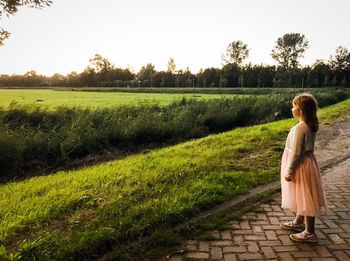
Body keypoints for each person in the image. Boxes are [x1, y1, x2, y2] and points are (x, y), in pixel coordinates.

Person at [279, 93, 327, 243]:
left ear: (301, 110)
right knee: (303, 195)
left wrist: (289, 171)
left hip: (300, 166)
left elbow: (297, 152)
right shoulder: (310, 125)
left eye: (294, 106)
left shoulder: (301, 128)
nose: (292, 108)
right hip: (308, 163)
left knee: (306, 196)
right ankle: (299, 221)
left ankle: (310, 232)